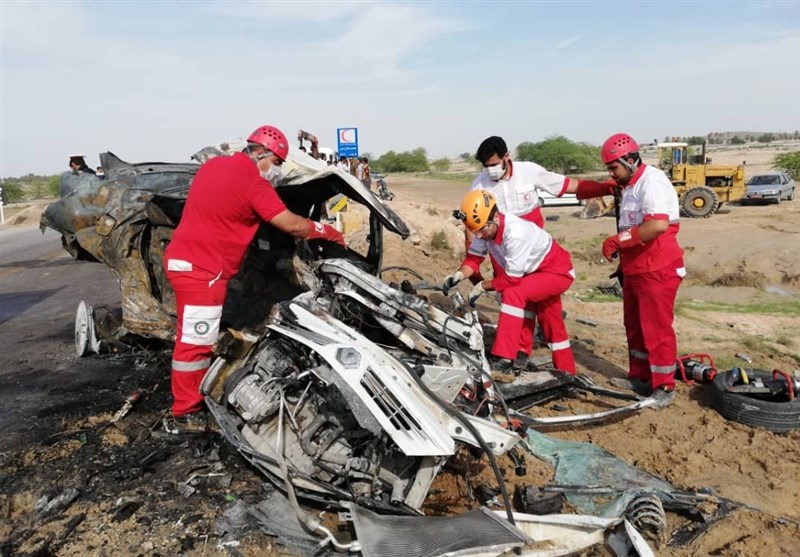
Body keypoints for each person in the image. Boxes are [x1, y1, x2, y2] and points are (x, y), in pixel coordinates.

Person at [162, 124, 347, 434]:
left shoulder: (213, 166)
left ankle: (190, 398)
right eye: (275, 163)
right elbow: (291, 225)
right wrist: (325, 230)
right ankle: (185, 413)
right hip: (203, 272)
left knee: (193, 338)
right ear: (262, 153)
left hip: (183, 259)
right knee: (195, 344)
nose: (275, 171)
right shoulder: (253, 183)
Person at [563, 133, 684, 406]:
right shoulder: (628, 183)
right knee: (636, 326)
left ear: (630, 160)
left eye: (613, 167)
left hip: (658, 269)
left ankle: (663, 388)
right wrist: (625, 263)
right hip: (637, 269)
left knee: (656, 329)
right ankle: (640, 378)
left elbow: (657, 226)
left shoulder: (651, 181)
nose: (611, 174)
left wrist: (618, 241)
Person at [443, 190, 576, 375]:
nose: (479, 236)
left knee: (514, 293)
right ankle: (564, 371)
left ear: (496, 216)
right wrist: (458, 275)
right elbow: (473, 260)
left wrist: (482, 286)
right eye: (476, 231)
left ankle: (505, 357)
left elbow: (512, 279)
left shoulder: (516, 233)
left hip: (556, 272)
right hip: (534, 274)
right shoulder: (485, 230)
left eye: (482, 230)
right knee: (551, 322)